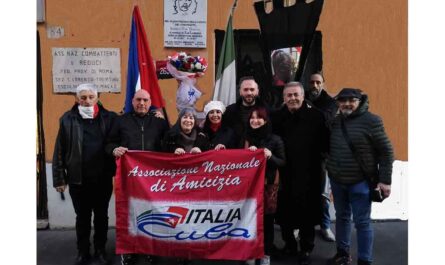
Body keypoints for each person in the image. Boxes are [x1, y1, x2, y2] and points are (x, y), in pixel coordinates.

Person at [326, 88, 394, 265]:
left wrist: (385, 181)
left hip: (361, 182)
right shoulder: (336, 121)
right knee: (341, 217)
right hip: (337, 180)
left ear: (360, 101)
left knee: (362, 222)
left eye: (351, 100)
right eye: (343, 100)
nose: (347, 103)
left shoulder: (372, 121)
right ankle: (342, 254)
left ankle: (365, 260)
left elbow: (386, 151)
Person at [52, 83, 117, 265]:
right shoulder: (67, 119)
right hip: (78, 180)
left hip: (102, 178)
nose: (87, 101)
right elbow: (59, 150)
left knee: (102, 216)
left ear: (97, 98)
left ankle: (100, 250)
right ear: (77, 99)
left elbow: (126, 128)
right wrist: (59, 178)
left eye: (90, 97)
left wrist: (154, 114)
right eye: (83, 97)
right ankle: (82, 252)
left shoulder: (109, 118)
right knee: (82, 218)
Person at [105, 89, 169, 265]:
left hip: (152, 180)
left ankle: (149, 248)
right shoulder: (120, 121)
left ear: (150, 103)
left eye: (146, 100)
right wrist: (113, 149)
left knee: (150, 214)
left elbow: (170, 143)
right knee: (128, 213)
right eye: (139, 100)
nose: (142, 103)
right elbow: (109, 143)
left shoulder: (159, 123)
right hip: (128, 178)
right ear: (132, 101)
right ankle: (128, 250)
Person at [271, 82, 329, 265]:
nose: (292, 98)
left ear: (303, 96)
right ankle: (289, 244)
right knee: (285, 211)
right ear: (284, 98)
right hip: (284, 173)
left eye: (296, 94)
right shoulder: (277, 117)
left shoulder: (317, 116)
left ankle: (306, 248)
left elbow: (326, 144)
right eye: (289, 95)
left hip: (309, 173)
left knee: (308, 212)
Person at [162, 107, 210, 265]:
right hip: (176, 185)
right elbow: (159, 154)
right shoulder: (170, 135)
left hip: (197, 185)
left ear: (195, 121)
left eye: (191, 118)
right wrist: (171, 151)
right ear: (180, 119)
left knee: (193, 217)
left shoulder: (202, 136)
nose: (188, 120)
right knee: (178, 217)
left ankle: (193, 249)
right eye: (185, 117)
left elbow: (212, 158)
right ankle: (179, 250)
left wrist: (202, 151)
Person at [244, 106, 286, 265]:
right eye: (252, 118)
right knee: (249, 220)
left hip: (268, 187)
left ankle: (265, 253)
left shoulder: (275, 139)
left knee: (267, 223)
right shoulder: (245, 138)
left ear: (265, 120)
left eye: (259, 117)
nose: (255, 120)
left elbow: (283, 161)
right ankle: (251, 252)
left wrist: (270, 156)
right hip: (247, 188)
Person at [307, 72, 337, 242]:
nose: (315, 85)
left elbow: (326, 119)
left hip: (323, 156)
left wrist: (309, 108)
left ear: (323, 84)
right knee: (302, 192)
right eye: (312, 82)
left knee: (323, 194)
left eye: (318, 82)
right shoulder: (302, 96)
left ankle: (325, 226)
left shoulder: (331, 103)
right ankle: (300, 225)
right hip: (303, 154)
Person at [223, 76, 268, 147]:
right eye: (245, 90)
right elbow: (223, 133)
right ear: (240, 92)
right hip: (235, 154)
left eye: (252, 89)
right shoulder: (229, 111)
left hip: (260, 153)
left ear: (257, 91)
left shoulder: (267, 111)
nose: (249, 93)